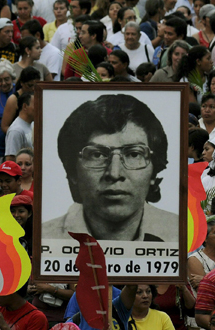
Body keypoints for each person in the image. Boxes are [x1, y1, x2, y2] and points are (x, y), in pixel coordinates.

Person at [45, 94, 177, 242]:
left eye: (134, 154)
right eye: (97, 155)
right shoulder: (45, 238)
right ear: (73, 172)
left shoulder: (181, 235)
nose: (114, 173)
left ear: (154, 170)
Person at [4, 93, 35, 161]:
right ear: (25, 106)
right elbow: (10, 159)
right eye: (36, 105)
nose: (40, 108)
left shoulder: (33, 124)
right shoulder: (15, 131)